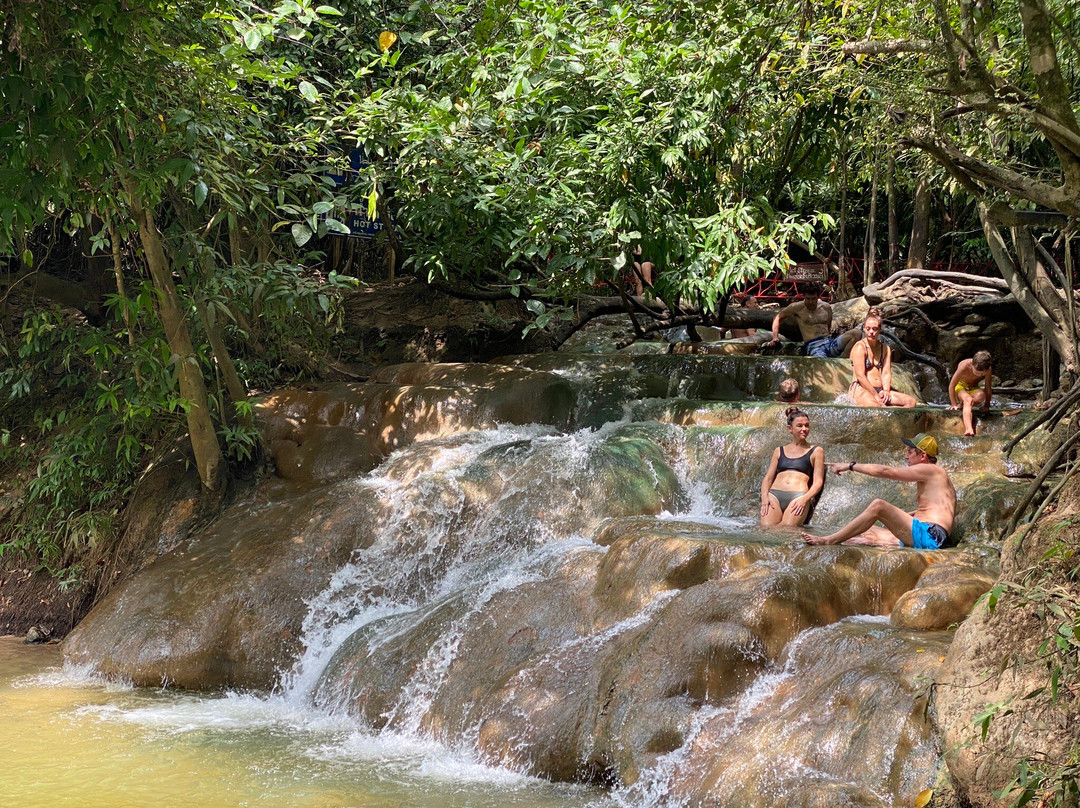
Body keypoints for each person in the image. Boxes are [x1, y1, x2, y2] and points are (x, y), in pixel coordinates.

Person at [801, 433, 955, 549]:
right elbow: (936, 508)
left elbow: (886, 471)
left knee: (878, 506)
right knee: (869, 530)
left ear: (923, 455)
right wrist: (911, 514)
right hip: (928, 532)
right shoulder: (938, 475)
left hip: (931, 536)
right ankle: (863, 541)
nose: (905, 456)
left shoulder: (930, 470)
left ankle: (829, 540)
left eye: (909, 452)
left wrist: (850, 466)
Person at [760, 407, 825, 527]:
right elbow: (768, 479)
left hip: (798, 497)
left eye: (806, 425)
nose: (804, 429)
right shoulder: (779, 451)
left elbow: (818, 482)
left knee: (785, 531)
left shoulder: (816, 451)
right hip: (774, 496)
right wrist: (765, 497)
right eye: (799, 426)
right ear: (790, 429)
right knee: (766, 530)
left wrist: (804, 500)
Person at [766, 283, 860, 358]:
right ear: (804, 297)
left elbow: (828, 326)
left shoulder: (825, 307)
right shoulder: (797, 307)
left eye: (813, 299)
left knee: (856, 334)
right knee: (822, 363)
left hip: (829, 342)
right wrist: (775, 337)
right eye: (808, 299)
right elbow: (777, 318)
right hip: (814, 346)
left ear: (818, 297)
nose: (810, 302)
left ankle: (841, 361)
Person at [847, 311, 918, 408]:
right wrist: (876, 396)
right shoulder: (860, 347)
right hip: (860, 388)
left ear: (880, 329)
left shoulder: (885, 348)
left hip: (879, 390)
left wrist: (886, 391)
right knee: (877, 407)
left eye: (874, 329)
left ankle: (898, 423)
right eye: (868, 329)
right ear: (864, 329)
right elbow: (860, 376)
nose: (871, 332)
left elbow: (886, 373)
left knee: (911, 402)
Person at [949, 350, 993, 436]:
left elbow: (988, 389)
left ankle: (965, 406)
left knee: (981, 395)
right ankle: (969, 429)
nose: (978, 375)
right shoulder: (964, 365)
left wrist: (986, 406)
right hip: (960, 387)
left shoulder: (988, 370)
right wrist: (953, 404)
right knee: (968, 400)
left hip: (973, 387)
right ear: (972, 364)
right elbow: (951, 386)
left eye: (981, 374)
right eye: (976, 372)